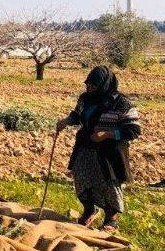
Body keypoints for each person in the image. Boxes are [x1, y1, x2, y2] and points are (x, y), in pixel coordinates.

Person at [56, 65, 140, 232]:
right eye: (88, 84)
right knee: (81, 178)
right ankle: (89, 210)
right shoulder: (85, 98)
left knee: (109, 184)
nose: (89, 88)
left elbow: (133, 130)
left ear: (104, 85)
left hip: (109, 153)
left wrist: (106, 134)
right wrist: (65, 121)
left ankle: (111, 219)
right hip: (86, 148)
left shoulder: (120, 102)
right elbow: (77, 115)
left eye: (93, 85)